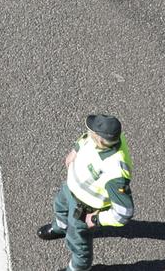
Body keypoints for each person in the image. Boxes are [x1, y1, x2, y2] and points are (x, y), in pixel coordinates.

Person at [36, 114, 133, 271]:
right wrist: (75, 150)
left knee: (79, 244)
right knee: (60, 206)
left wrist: (96, 219)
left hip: (84, 208)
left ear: (100, 140)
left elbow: (124, 212)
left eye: (92, 134)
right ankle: (61, 227)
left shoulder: (116, 172)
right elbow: (85, 138)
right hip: (71, 188)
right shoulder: (109, 136)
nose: (88, 134)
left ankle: (78, 268)